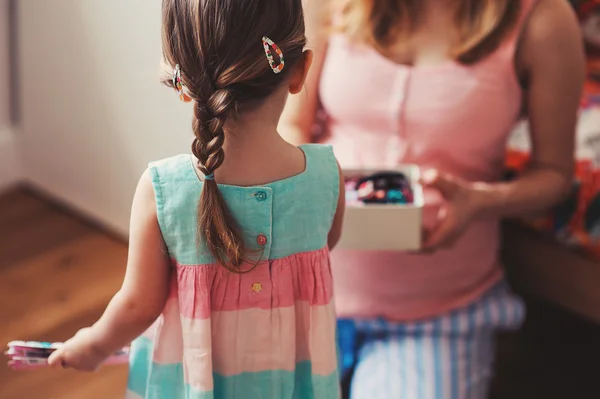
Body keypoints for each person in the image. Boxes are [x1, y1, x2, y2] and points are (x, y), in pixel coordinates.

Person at [280, 0, 585, 397]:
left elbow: (556, 177)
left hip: (437, 316)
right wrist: (308, 185)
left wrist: (480, 201)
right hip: (303, 295)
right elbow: (291, 122)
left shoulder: (544, 19)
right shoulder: (329, 4)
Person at [47, 1, 345, 398]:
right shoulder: (326, 175)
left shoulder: (162, 189)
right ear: (300, 70)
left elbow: (138, 305)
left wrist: (92, 345)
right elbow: (327, 244)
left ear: (180, 82)